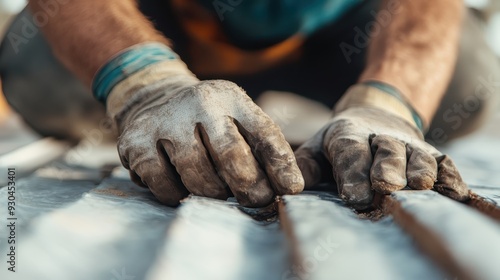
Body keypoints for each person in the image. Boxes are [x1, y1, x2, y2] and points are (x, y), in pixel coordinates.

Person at [2, 0, 499, 209]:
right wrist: (142, 82)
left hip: (335, 30)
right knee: (39, 76)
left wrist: (388, 101)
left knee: (465, 81)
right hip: (165, 21)